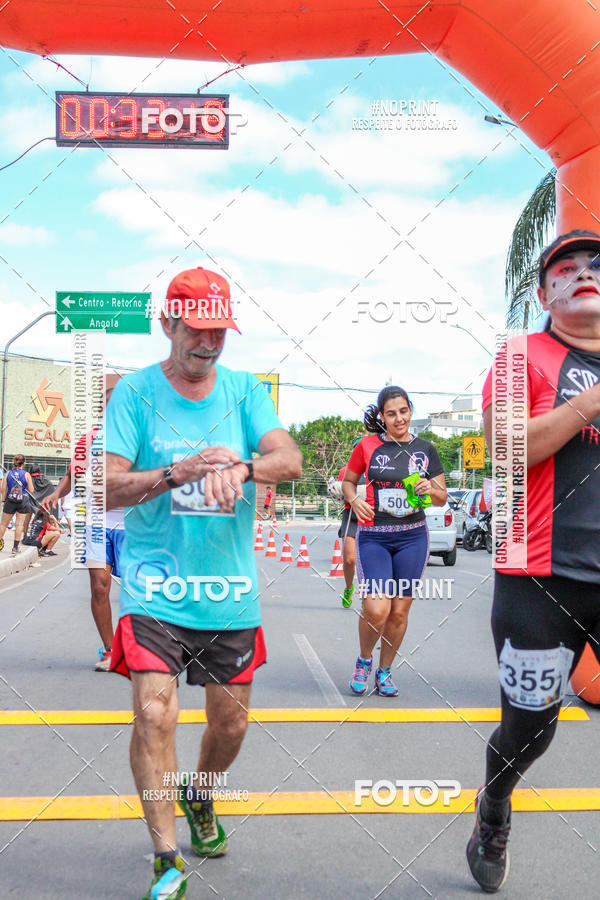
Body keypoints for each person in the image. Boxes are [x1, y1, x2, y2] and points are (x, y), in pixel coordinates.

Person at [104, 266, 302, 900]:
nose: (208, 344)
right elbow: (104, 484)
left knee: (231, 725)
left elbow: (290, 459)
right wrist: (176, 471)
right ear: (168, 323)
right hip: (152, 588)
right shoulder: (135, 394)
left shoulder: (245, 391)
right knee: (155, 714)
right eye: (196, 330)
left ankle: (200, 794)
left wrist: (244, 467)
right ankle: (165, 855)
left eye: (219, 332)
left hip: (226, 593)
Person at [467, 230, 600, 893]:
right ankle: (494, 805)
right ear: (546, 292)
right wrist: (586, 405)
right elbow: (508, 451)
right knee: (529, 729)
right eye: (566, 268)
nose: (583, 273)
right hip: (538, 578)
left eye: (596, 265)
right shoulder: (522, 355)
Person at [342, 386, 446, 697]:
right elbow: (348, 482)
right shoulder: (367, 446)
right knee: (376, 609)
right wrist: (355, 501)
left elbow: (441, 498)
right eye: (391, 414)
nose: (398, 418)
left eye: (403, 411)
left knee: (399, 611)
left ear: (410, 410)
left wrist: (430, 488)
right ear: (382, 417)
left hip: (413, 537)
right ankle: (364, 660)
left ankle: (384, 671)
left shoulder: (426, 450)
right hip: (374, 537)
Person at [42, 374, 125, 671]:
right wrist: (55, 493)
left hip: (134, 526)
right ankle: (110, 651)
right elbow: (72, 474)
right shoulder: (90, 439)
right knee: (100, 587)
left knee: (143, 590)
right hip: (98, 523)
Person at [327, 438, 366, 608]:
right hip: (352, 515)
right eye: (357, 450)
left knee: (368, 559)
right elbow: (341, 492)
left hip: (373, 517)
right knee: (349, 559)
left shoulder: (377, 471)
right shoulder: (346, 471)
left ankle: (367, 593)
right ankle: (349, 588)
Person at [0, 454, 35, 555]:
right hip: (23, 501)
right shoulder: (26, 474)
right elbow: (31, 490)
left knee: (3, 524)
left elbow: (3, 488)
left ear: (14, 462)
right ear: (24, 463)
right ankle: (15, 548)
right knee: (19, 524)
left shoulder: (8, 473)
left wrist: (3, 499)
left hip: (10, 500)